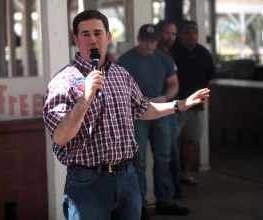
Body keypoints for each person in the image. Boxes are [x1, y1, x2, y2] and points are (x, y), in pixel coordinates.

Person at [43, 10, 210, 220]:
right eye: (85, 34)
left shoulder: (120, 74)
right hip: (88, 183)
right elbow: (60, 136)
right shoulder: (63, 82)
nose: (93, 39)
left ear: (108, 37)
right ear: (76, 39)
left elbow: (143, 109)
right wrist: (84, 100)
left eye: (98, 32)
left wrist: (180, 105)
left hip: (126, 177)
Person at [118, 23, 189, 219]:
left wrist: (165, 98)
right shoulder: (126, 60)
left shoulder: (164, 58)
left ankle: (165, 201)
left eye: (153, 41)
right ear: (139, 39)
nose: (149, 45)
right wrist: (135, 100)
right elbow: (117, 88)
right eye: (146, 41)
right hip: (137, 115)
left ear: (157, 41)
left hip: (161, 112)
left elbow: (174, 84)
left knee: (164, 157)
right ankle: (138, 206)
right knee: (138, 161)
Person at [171, 20, 215, 185]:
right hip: (176, 105)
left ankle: (185, 173)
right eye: (188, 33)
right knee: (172, 142)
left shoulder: (204, 53)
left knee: (191, 140)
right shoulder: (173, 52)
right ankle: (172, 176)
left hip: (197, 106)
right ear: (182, 36)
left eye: (194, 33)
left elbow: (210, 74)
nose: (191, 36)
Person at [156, 20, 182, 198]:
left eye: (173, 34)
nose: (170, 37)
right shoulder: (155, 54)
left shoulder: (170, 54)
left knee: (171, 154)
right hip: (157, 109)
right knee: (167, 155)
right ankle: (168, 197)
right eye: (167, 33)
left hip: (172, 108)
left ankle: (172, 194)